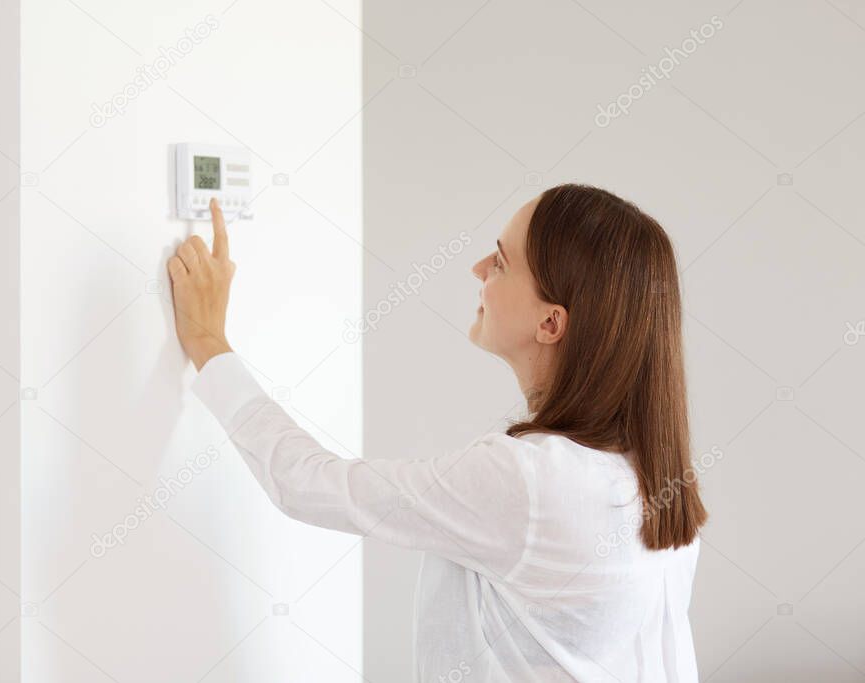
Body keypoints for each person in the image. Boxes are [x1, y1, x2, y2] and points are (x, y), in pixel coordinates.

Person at [167, 184, 708, 682]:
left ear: (550, 323)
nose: (477, 268)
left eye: (500, 261)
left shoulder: (532, 482)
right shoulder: (651, 477)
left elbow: (305, 483)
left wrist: (206, 340)